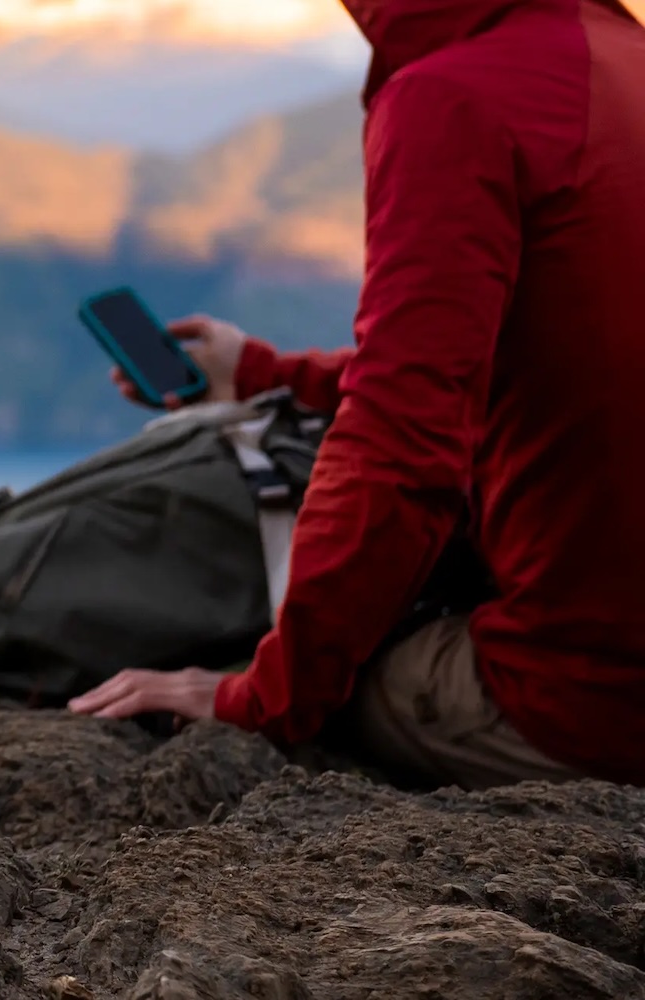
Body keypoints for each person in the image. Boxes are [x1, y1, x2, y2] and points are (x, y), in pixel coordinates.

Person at [68, 0, 645, 790]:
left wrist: (261, 699)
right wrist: (274, 375)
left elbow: (403, 448)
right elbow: (521, 360)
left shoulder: (452, 98)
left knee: (352, 673)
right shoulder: (619, 54)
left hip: (590, 704)